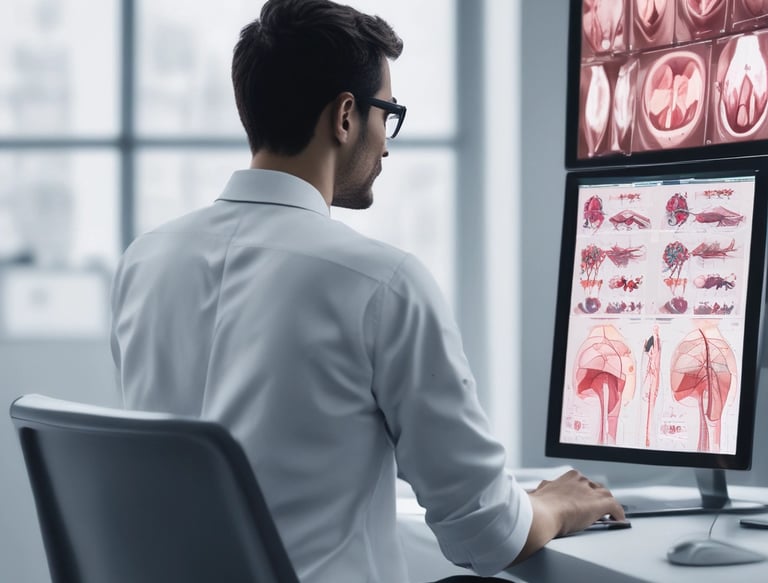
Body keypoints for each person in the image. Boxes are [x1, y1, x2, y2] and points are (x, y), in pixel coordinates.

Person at [109, 1, 625, 581]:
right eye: (388, 113)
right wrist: (553, 504)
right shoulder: (381, 284)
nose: (386, 144)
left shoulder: (145, 262)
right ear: (346, 116)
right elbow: (482, 534)